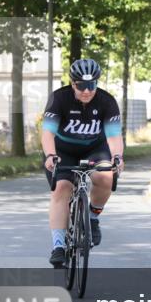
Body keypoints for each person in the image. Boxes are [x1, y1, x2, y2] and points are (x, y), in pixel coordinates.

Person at [42, 58, 124, 266]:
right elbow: (48, 134)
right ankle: (58, 246)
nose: (87, 91)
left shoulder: (107, 101)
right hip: (63, 150)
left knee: (106, 175)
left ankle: (93, 218)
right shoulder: (58, 99)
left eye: (92, 85)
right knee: (62, 188)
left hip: (94, 148)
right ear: (72, 84)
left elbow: (114, 136)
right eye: (81, 86)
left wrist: (117, 157)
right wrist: (51, 155)